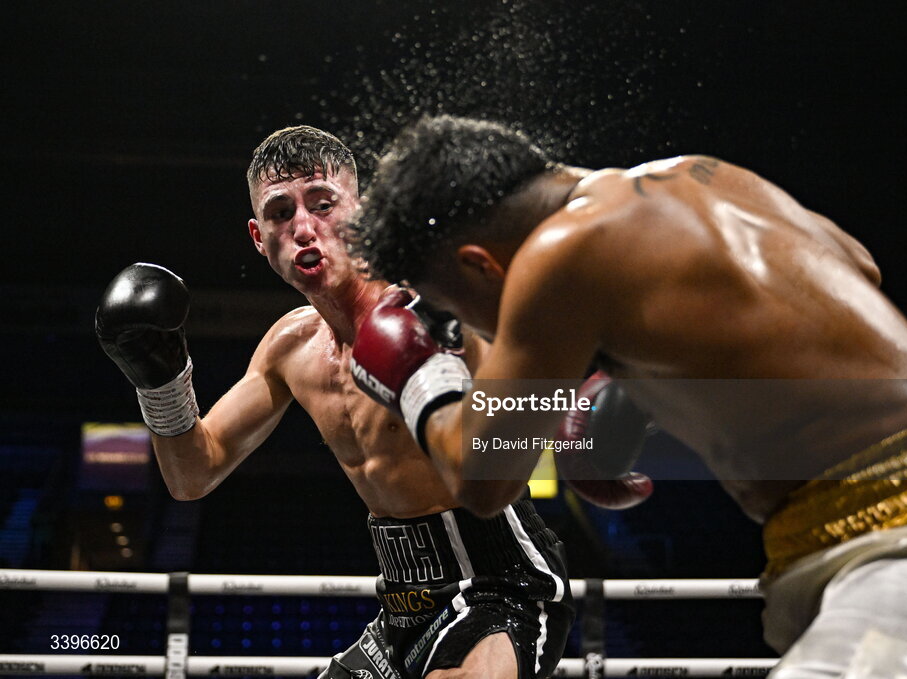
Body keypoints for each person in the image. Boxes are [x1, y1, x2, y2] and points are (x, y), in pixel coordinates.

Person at [346, 115, 907, 677]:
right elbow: (855, 262)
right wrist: (635, 390)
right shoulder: (706, 178)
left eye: (456, 311)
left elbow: (483, 475)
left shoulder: (560, 252)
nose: (481, 335)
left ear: (478, 264)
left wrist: (418, 377)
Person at [95, 125, 578, 679]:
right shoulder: (289, 348)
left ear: (363, 213)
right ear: (258, 237)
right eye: (280, 213)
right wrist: (160, 382)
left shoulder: (434, 304)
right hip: (403, 608)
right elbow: (192, 475)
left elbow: (546, 398)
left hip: (501, 589)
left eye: (323, 204)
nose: (303, 228)